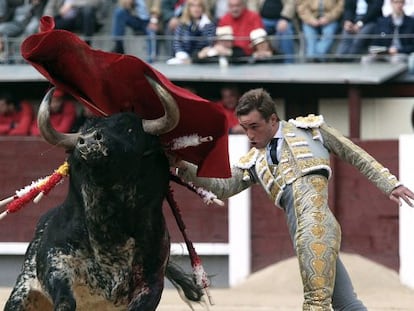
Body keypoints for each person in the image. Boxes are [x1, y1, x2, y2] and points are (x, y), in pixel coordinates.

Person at [171, 88, 414, 310]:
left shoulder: (311, 131)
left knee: (315, 303)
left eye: (254, 126)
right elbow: (222, 187)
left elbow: (354, 153)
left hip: (316, 226)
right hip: (300, 234)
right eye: (245, 128)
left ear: (273, 119)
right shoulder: (254, 161)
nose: (249, 135)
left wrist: (391, 183)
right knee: (345, 302)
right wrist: (186, 167)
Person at [166, 0, 216, 64]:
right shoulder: (182, 24)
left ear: (203, 8)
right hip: (183, 58)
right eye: (193, 6)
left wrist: (200, 28)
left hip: (201, 59)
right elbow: (177, 43)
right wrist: (183, 56)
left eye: (199, 6)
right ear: (188, 8)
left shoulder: (209, 25)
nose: (196, 9)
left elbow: (209, 43)